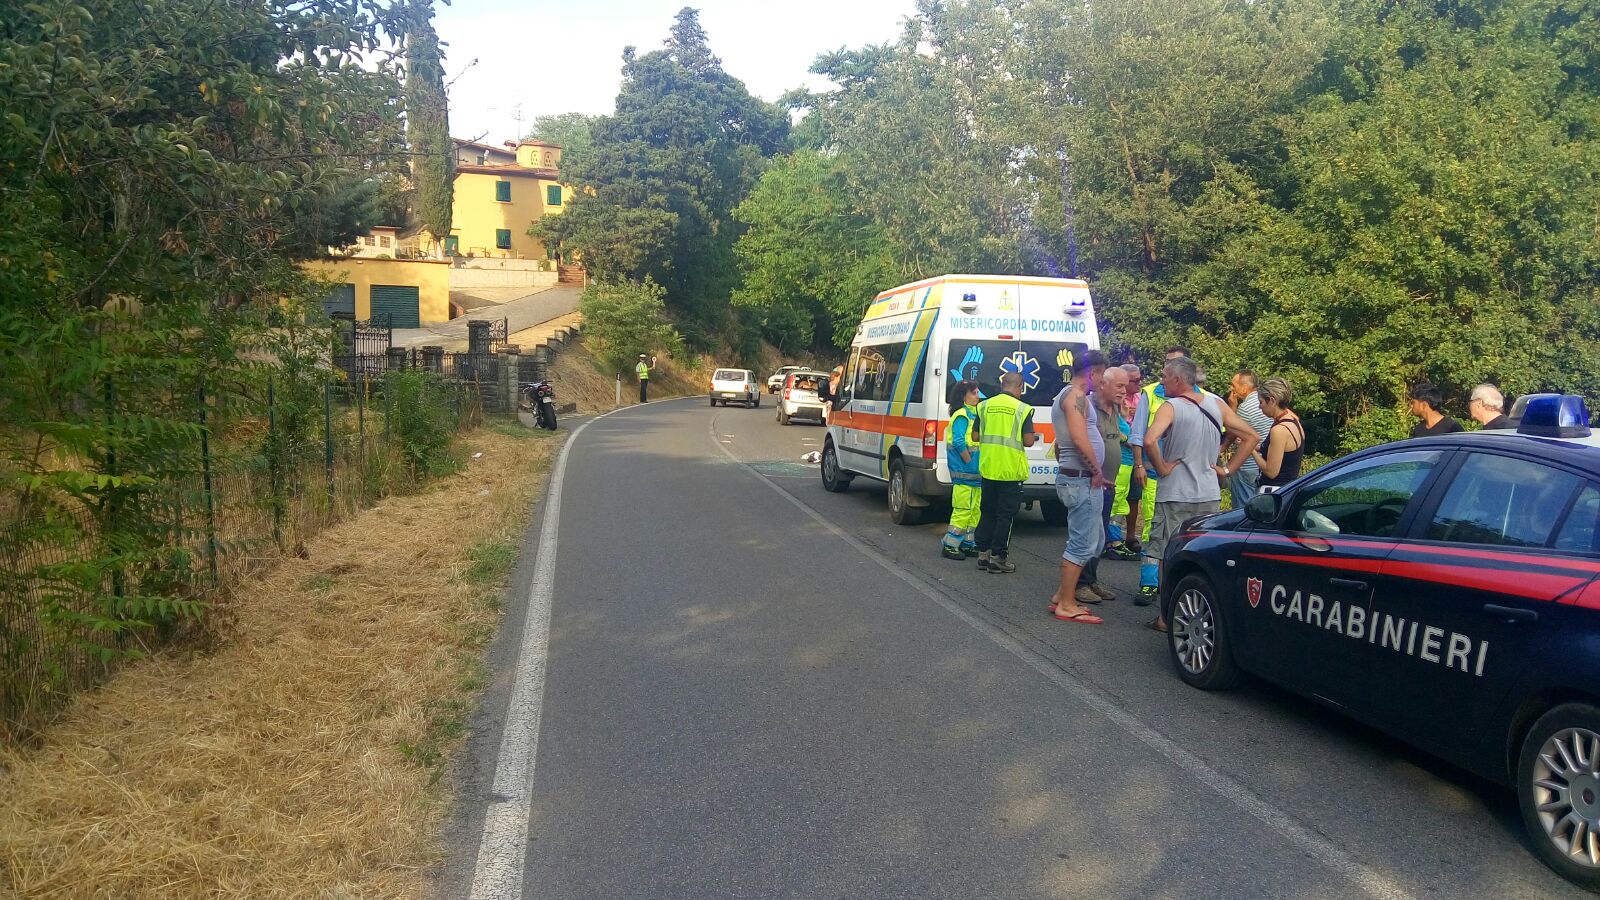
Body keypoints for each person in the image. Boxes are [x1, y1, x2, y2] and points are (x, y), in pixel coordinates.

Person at [1141, 356, 1260, 631]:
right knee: (1202, 555)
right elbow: (1252, 436)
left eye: (1165, 376)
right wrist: (1228, 469)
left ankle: (1165, 617)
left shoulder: (1171, 407)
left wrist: (1161, 466)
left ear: (1179, 379)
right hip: (1208, 493)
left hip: (1175, 493)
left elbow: (1149, 440)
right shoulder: (1216, 403)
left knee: (1168, 553)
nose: (1161, 381)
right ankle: (1200, 610)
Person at [1047, 351, 1110, 623]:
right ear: (1093, 372)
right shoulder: (1076, 397)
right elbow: (1078, 438)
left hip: (1081, 477)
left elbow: (1061, 444)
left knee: (1094, 541)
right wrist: (1096, 471)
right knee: (1082, 543)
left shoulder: (1069, 396)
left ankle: (1063, 594)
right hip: (1082, 479)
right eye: (1102, 375)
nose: (1101, 381)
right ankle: (1067, 604)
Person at [1128, 347, 1191, 590]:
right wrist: (1139, 465)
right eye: (1166, 363)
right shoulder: (1151, 392)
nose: (1165, 369)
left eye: (1172, 364)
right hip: (1156, 475)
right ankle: (1150, 583)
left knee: (1185, 531)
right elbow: (1138, 433)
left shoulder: (1202, 395)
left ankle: (1175, 583)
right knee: (1154, 530)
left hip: (1187, 478)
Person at [974, 371, 1038, 574]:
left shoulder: (984, 406)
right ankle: (999, 557)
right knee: (1005, 516)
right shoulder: (1023, 409)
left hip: (989, 467)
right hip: (1010, 471)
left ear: (1003, 385)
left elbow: (976, 436)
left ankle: (983, 554)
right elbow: (1028, 441)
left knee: (987, 512)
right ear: (1020, 387)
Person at [1079, 363, 1129, 600]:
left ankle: (1091, 580)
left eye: (1126, 387)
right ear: (1103, 384)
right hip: (1091, 484)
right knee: (1087, 535)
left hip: (1107, 485)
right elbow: (1072, 445)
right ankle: (1080, 584)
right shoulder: (1086, 407)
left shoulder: (1115, 410)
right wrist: (1093, 474)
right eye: (1119, 386)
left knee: (1099, 537)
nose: (1123, 391)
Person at [941, 380, 982, 561]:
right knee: (963, 509)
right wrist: (969, 461)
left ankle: (967, 542)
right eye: (974, 393)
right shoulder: (962, 415)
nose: (978, 396)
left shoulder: (975, 414)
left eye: (977, 392)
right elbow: (958, 441)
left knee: (975, 510)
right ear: (963, 396)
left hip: (975, 474)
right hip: (965, 472)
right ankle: (950, 545)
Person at [1108, 363, 1143, 560]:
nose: (1139, 383)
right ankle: (1112, 542)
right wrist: (1128, 439)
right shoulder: (1112, 404)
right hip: (1120, 461)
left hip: (1132, 461)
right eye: (1134, 381)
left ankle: (1121, 539)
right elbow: (1111, 430)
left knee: (1127, 501)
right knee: (1116, 501)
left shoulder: (1140, 399)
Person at [1225, 369, 1273, 508]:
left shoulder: (1245, 408)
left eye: (1234, 385)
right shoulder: (1265, 402)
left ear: (1244, 388)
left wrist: (1232, 408)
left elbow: (1231, 432)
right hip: (1262, 465)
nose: (1231, 389)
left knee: (1244, 509)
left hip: (1247, 465)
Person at [1252, 378, 1305, 492]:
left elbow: (1271, 472)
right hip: (1289, 487)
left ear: (1272, 401)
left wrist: (1250, 449)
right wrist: (1259, 448)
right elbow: (1282, 451)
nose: (1259, 407)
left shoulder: (1279, 430)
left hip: (1274, 491)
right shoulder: (1293, 418)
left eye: (1261, 402)